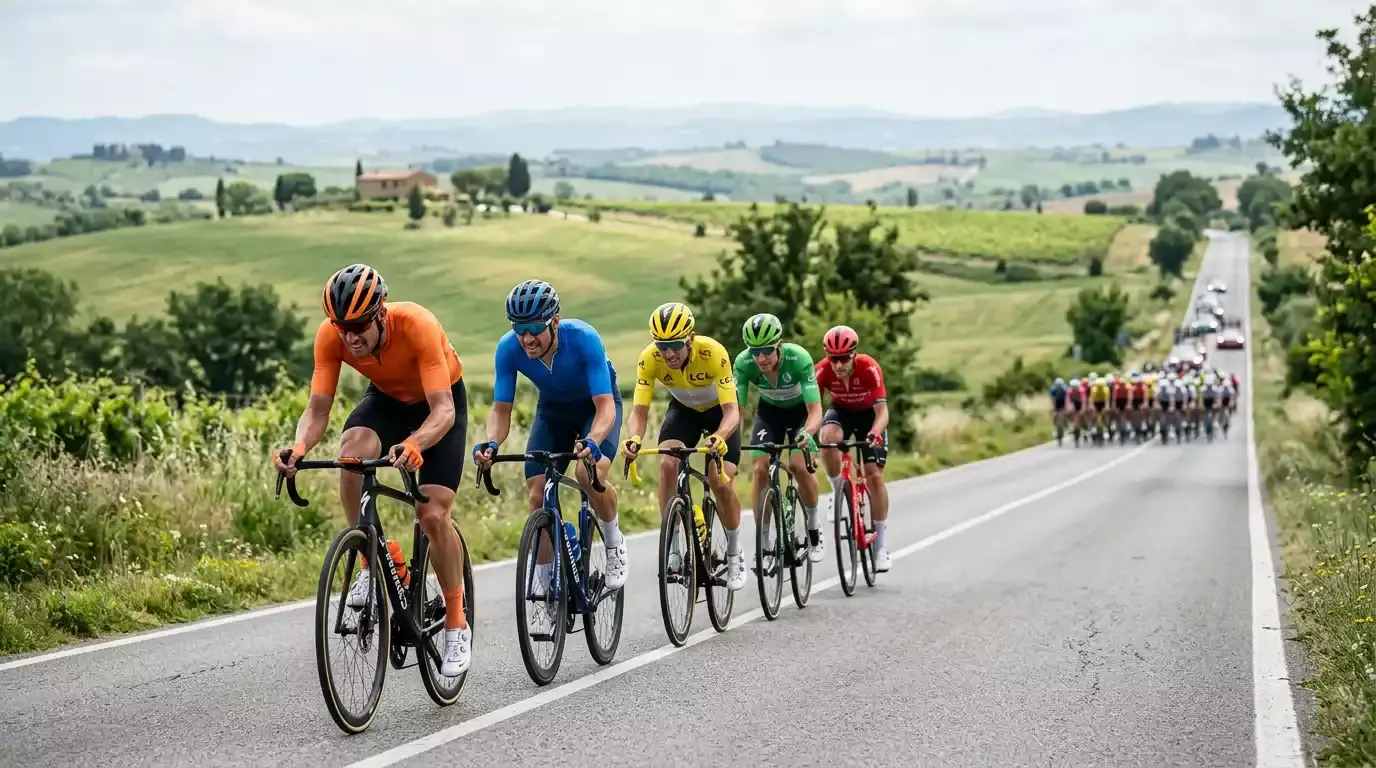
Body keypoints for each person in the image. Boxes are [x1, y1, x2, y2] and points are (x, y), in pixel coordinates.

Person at [273, 264, 472, 676]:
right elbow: (317, 409)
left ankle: (456, 620)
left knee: (432, 514)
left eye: (360, 325)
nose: (350, 337)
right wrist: (299, 446)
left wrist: (416, 442)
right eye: (342, 326)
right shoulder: (333, 337)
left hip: (439, 403)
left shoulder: (416, 324)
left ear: (381, 313)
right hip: (387, 399)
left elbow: (443, 412)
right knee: (351, 453)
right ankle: (368, 553)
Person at [473, 280, 628, 594]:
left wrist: (594, 440)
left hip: (595, 407)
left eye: (534, 328)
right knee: (537, 493)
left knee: (587, 473)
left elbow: (604, 408)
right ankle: (545, 582)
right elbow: (501, 410)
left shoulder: (584, 338)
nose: (526, 338)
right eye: (519, 329)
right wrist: (491, 443)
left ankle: (614, 543)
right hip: (553, 411)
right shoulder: (508, 348)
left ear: (554, 321)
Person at [622, 302, 747, 591]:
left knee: (720, 481)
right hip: (684, 410)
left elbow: (732, 412)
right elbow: (639, 412)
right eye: (662, 346)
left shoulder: (713, 352)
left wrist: (720, 435)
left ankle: (734, 551)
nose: (668, 354)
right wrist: (634, 438)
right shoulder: (649, 358)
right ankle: (675, 546)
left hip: (720, 412)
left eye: (676, 345)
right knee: (667, 462)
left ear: (690, 338)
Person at [733, 313, 825, 563]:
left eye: (767, 351)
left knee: (798, 466)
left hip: (800, 415)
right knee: (760, 469)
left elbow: (815, 410)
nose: (761, 358)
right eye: (755, 351)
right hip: (769, 414)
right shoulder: (743, 363)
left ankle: (815, 529)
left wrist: (808, 432)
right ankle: (763, 543)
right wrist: (731, 444)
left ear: (780, 345)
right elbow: (737, 413)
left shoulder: (799, 359)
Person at [814, 326, 892, 572]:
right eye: (833, 359)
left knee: (874, 475)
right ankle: (837, 489)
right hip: (841, 413)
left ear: (854, 354)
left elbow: (882, 412)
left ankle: (881, 546)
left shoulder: (869, 367)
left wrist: (875, 433)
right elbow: (814, 409)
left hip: (869, 417)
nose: (838, 365)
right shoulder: (822, 370)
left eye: (844, 358)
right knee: (827, 438)